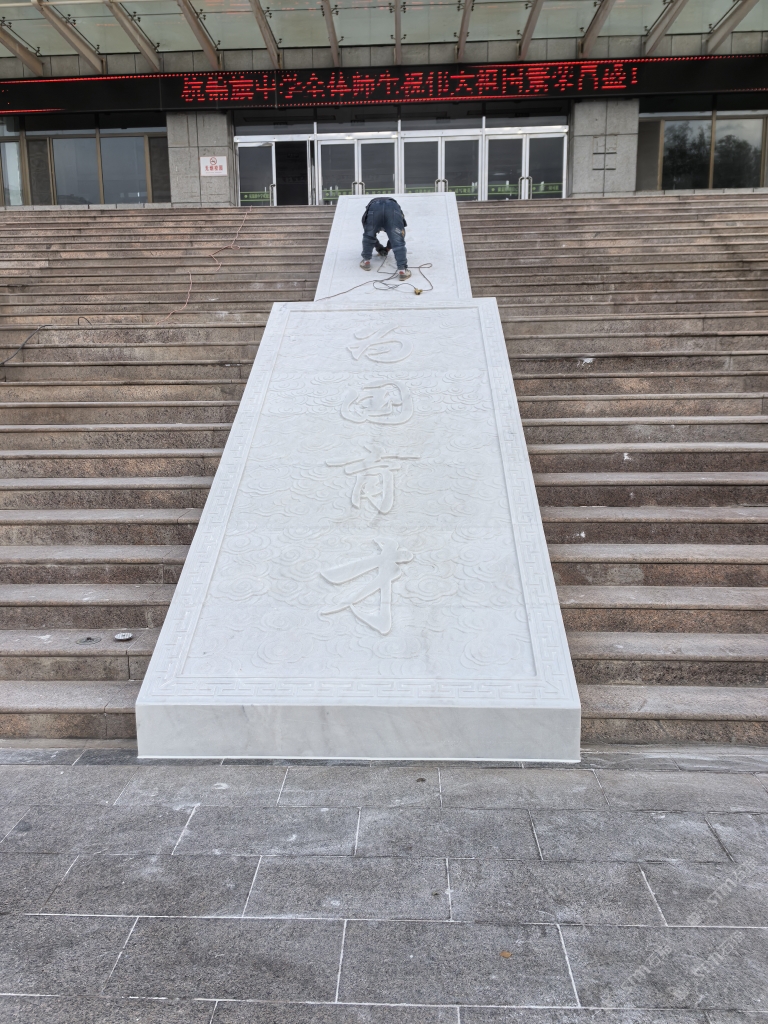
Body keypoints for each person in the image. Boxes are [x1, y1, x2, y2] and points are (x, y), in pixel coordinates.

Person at [360, 196, 411, 281]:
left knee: (369, 236)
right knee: (398, 240)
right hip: (393, 207)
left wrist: (379, 247)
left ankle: (366, 262)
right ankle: (402, 270)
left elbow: (369, 236)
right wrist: (387, 248)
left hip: (374, 207)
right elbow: (398, 237)